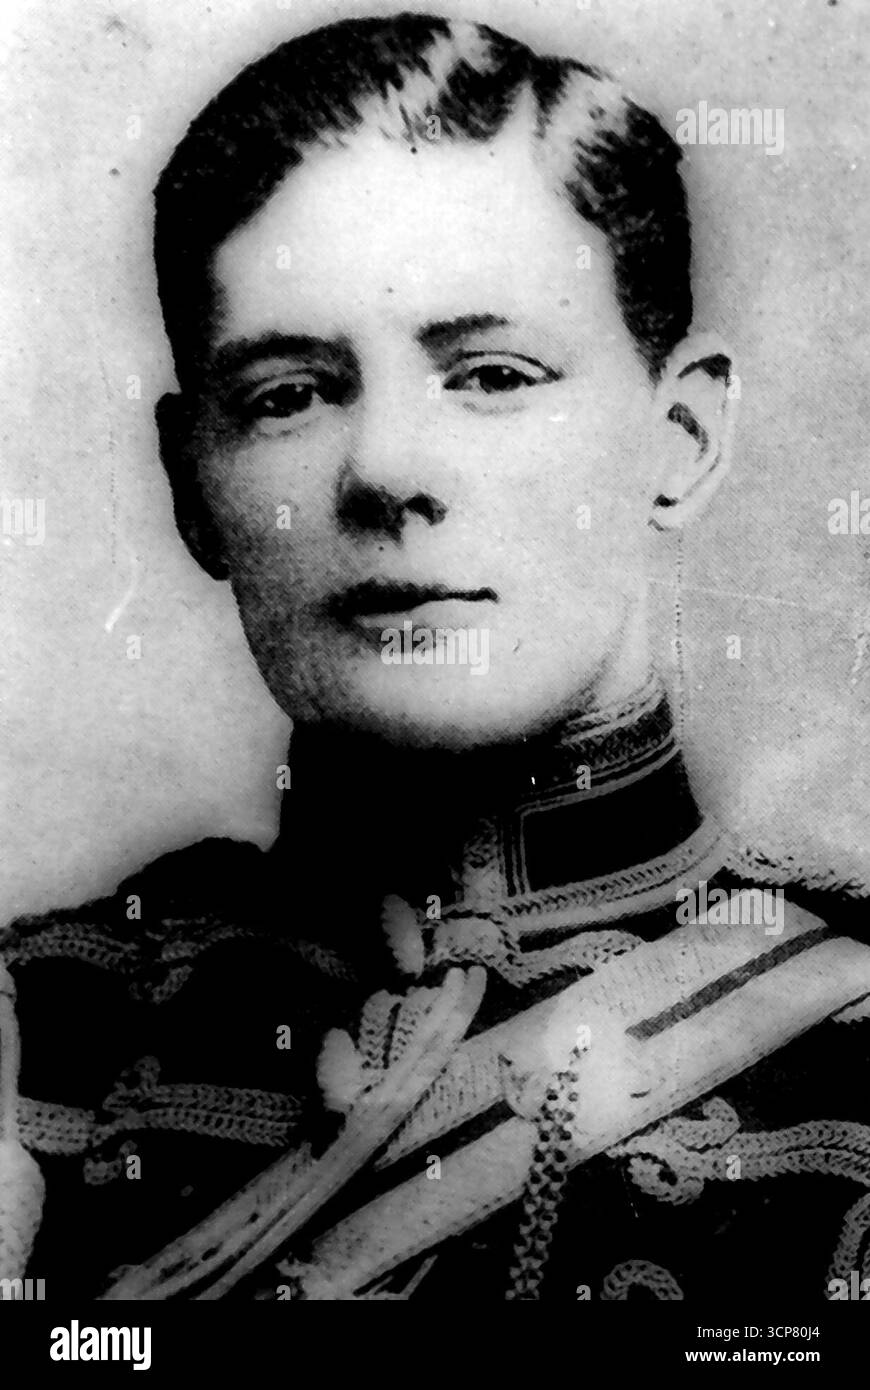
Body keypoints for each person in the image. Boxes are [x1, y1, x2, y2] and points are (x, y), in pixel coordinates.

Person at [2, 11, 869, 1303]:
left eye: (493, 374)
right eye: (289, 393)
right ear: (192, 491)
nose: (389, 469)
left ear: (678, 438)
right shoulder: (38, 1046)